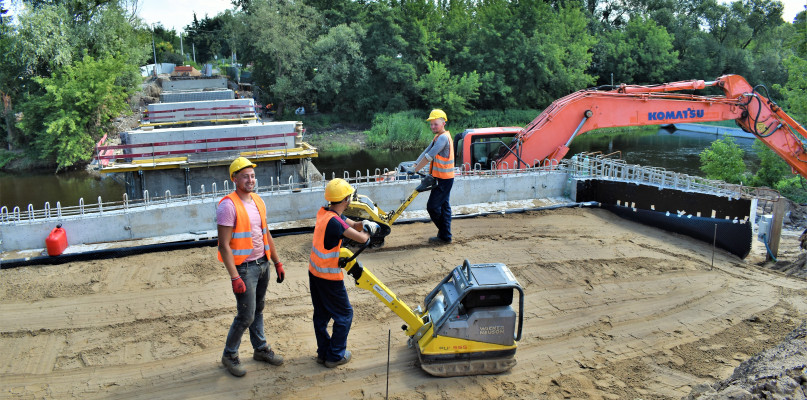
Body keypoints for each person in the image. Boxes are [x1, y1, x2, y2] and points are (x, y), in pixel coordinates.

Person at [217, 156, 286, 377]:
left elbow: (266, 233)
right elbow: (224, 245)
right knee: (246, 315)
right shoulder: (228, 206)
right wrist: (234, 276)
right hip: (245, 269)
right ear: (234, 179)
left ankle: (260, 348)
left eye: (253, 176)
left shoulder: (258, 201)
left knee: (258, 310)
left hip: (263, 263)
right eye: (245, 176)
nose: (250, 180)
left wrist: (277, 261)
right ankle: (229, 355)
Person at [309, 178, 379, 368]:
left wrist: (364, 222)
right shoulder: (335, 223)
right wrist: (370, 229)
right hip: (329, 277)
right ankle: (335, 355)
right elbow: (362, 238)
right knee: (345, 315)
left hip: (315, 273)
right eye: (349, 197)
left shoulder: (325, 213)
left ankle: (323, 352)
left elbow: (351, 224)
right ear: (346, 199)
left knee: (321, 315)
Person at [408, 109, 455, 244]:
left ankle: (445, 234)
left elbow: (429, 156)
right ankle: (445, 236)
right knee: (444, 207)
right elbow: (426, 151)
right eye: (431, 124)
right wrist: (414, 164)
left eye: (435, 124)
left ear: (443, 123)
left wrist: (415, 169)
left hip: (444, 179)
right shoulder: (438, 137)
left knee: (432, 207)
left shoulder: (443, 138)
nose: (433, 127)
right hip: (441, 177)